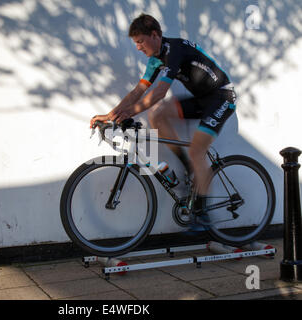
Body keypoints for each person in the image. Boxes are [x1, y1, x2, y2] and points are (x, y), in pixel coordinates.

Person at [90, 13, 236, 220]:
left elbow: (159, 93)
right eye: (135, 43)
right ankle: (188, 168)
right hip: (203, 98)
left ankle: (202, 216)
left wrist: (128, 113)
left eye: (140, 41)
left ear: (155, 35)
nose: (138, 47)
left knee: (197, 151)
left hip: (222, 97)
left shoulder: (174, 50)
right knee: (157, 114)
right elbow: (137, 92)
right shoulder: (155, 60)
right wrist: (110, 115)